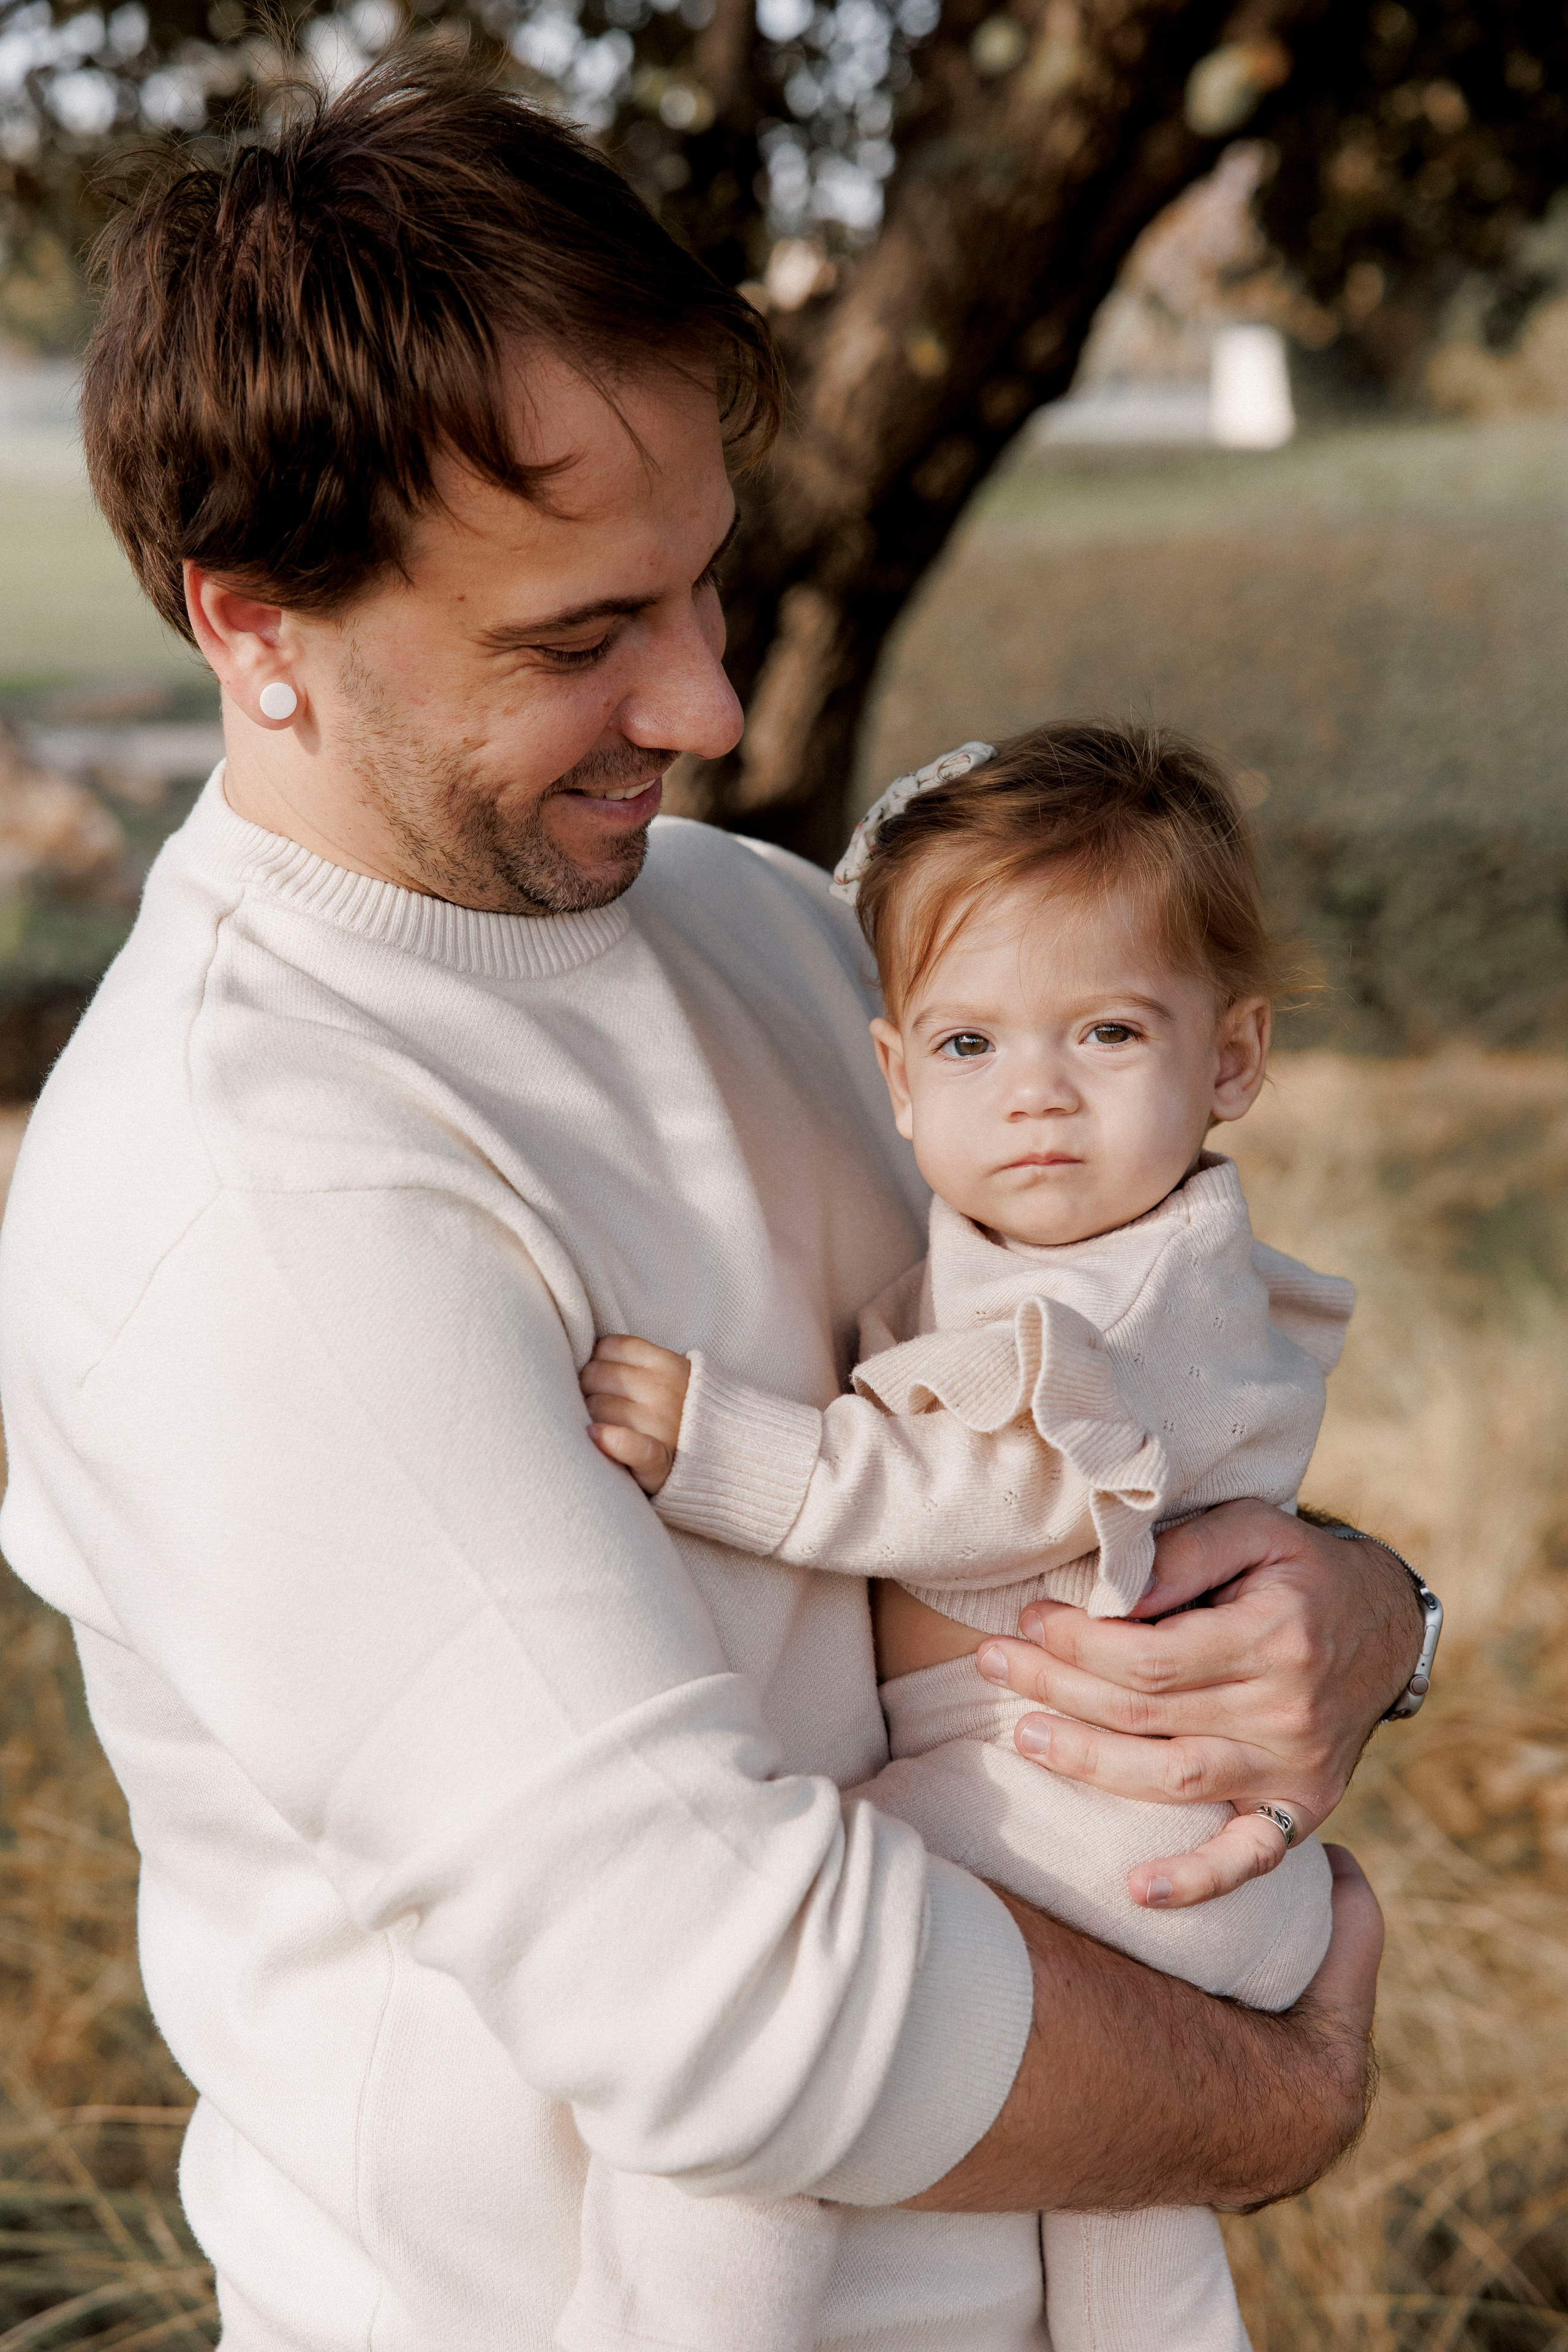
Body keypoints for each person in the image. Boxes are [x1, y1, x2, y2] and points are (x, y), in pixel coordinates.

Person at [0, 58, 1423, 2352]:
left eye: (707, 584)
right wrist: (1277, 2098)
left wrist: (1352, 1611)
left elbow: (1096, 1387)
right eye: (581, 639)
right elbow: (725, 1998)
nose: (713, 703)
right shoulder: (244, 1191)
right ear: (254, 627)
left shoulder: (761, 931)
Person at [575, 722, 1357, 2352]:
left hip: (1085, 1818)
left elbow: (988, 1494)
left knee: (766, 2031)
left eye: (1109, 1032)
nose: (1036, 1093)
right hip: (1153, 1851)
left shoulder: (1148, 1298)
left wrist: (729, 1453)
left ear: (1232, 1060)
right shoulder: (1059, 1250)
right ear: (895, 1075)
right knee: (1131, 2226)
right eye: (970, 1044)